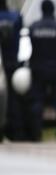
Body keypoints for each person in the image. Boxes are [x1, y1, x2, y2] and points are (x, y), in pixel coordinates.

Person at [29, 0, 56, 141]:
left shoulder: (34, 27)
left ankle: (36, 134)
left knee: (37, 102)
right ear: (53, 10)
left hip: (38, 70)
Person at [0, 0, 24, 140]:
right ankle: (15, 132)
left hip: (2, 63)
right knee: (14, 99)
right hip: (13, 61)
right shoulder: (16, 16)